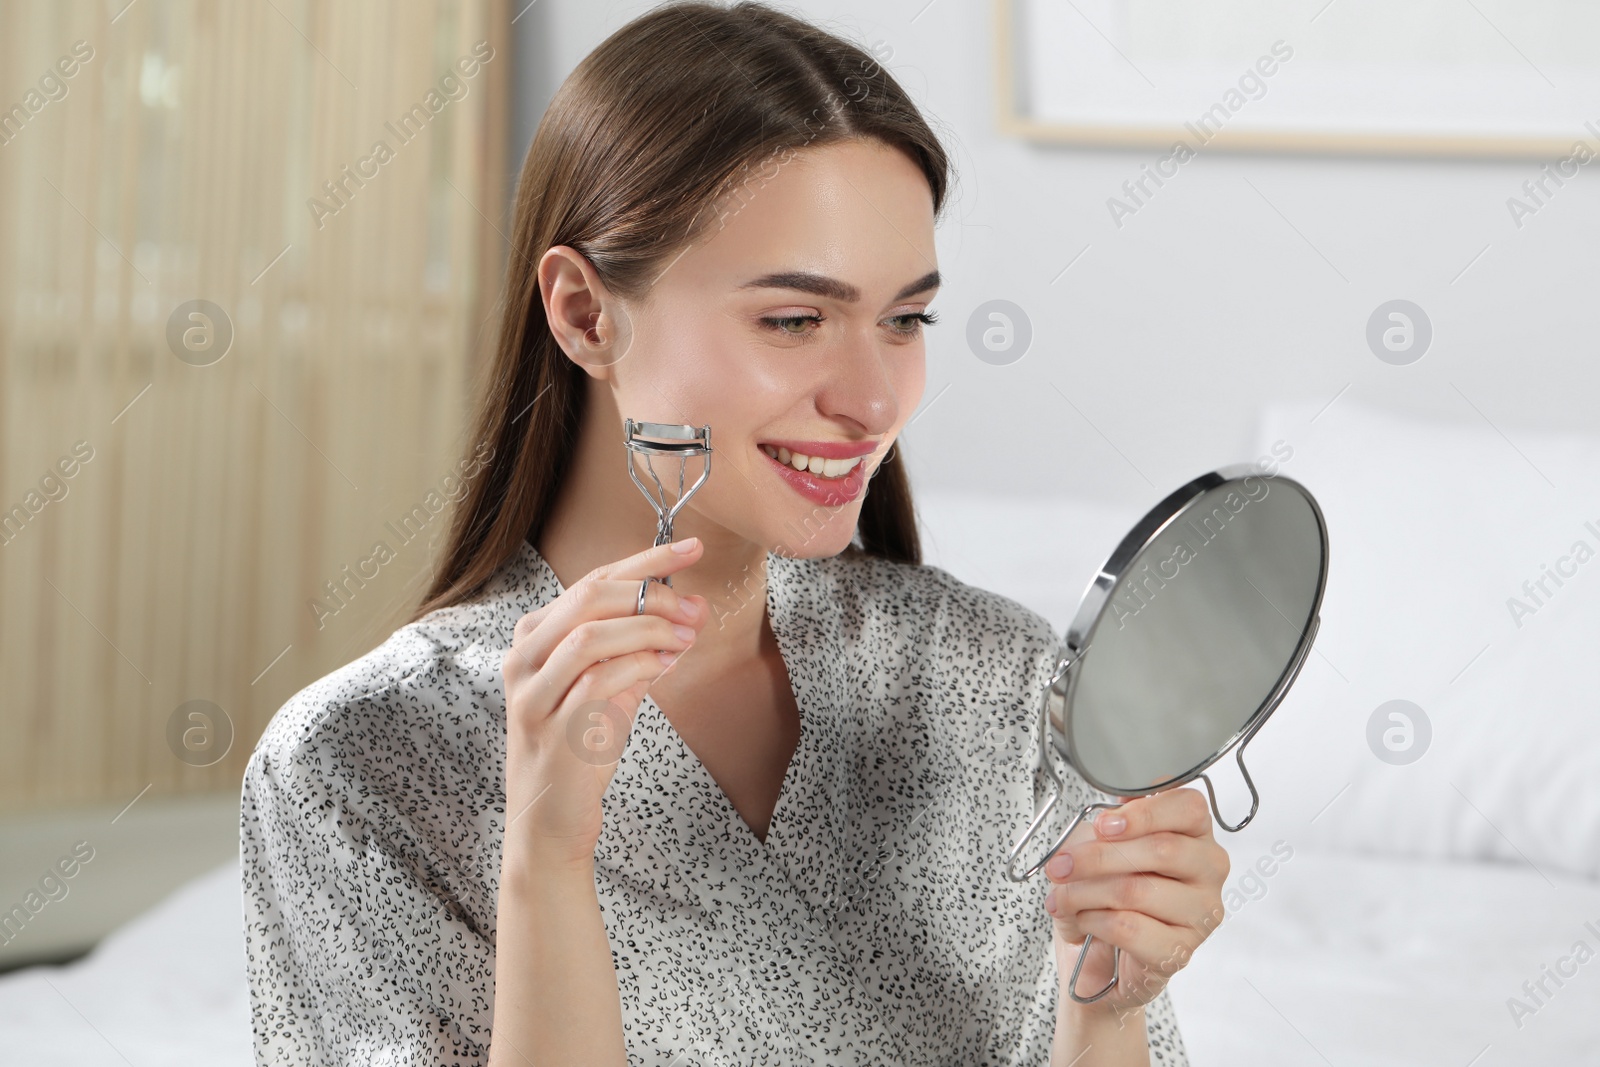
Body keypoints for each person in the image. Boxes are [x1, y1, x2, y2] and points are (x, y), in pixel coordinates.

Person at [240, 3, 1229, 1064]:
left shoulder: (1001, 684)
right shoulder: (359, 761)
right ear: (583, 314)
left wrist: (1110, 1005)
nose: (870, 401)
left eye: (904, 320)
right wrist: (544, 860)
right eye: (794, 319)